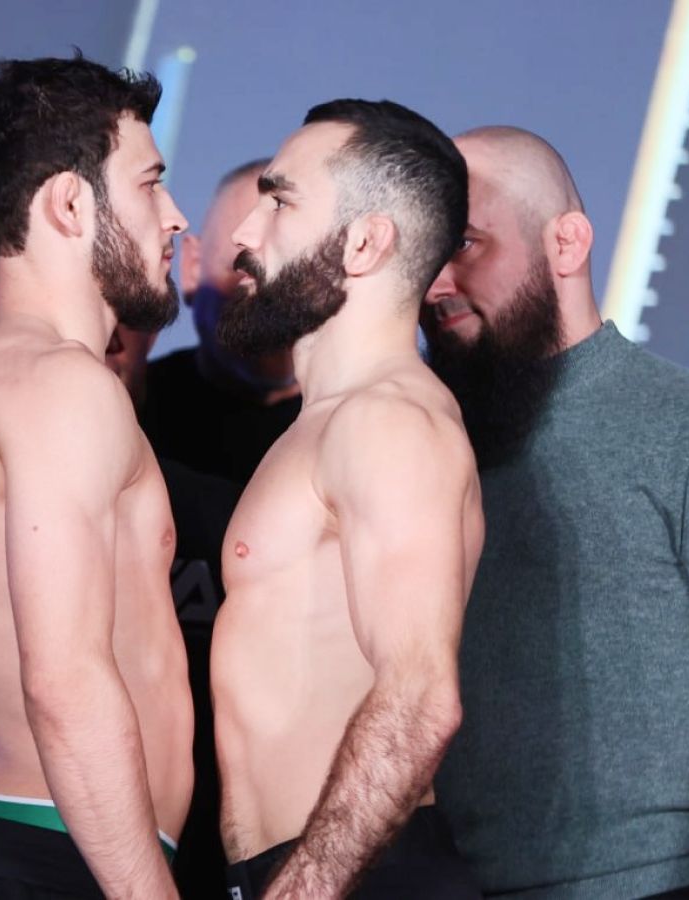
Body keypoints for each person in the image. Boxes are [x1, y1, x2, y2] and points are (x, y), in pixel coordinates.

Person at [422, 125, 689, 899]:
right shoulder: (427, 455)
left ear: (567, 242)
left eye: (467, 245)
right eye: (426, 255)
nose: (436, 282)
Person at [0, 56, 194, 898]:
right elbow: (65, 682)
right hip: (72, 858)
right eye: (151, 184)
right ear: (69, 202)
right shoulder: (60, 385)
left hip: (29, 844)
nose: (174, 217)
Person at [210, 99, 483, 898]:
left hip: (353, 878)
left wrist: (301, 891)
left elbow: (421, 699)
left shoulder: (387, 420)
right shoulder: (324, 423)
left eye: (279, 201)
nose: (244, 232)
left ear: (365, 243)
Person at [140, 160, 301, 484]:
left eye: (293, 276)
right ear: (192, 267)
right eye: (246, 272)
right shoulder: (130, 409)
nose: (273, 301)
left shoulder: (364, 425)